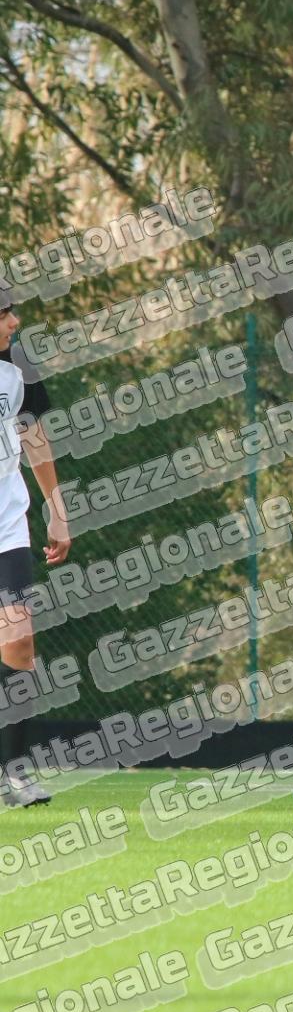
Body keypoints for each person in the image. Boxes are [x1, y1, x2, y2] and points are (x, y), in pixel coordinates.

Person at [0, 295, 70, 806]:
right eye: (3, 314)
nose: (14, 321)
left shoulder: (18, 365)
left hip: (7, 525)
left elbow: (34, 435)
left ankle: (14, 775)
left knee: (19, 644)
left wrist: (57, 509)